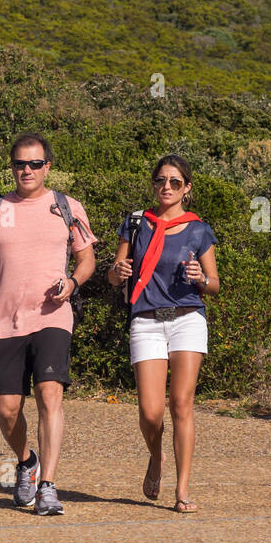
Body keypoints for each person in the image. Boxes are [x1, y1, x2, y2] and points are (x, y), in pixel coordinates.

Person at [0, 133, 97, 516]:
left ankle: (48, 487)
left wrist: (72, 283)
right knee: (6, 409)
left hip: (53, 317)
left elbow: (86, 259)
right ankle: (26, 462)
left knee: (49, 394)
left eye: (35, 164)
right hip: (5, 322)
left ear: (47, 167)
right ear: (12, 167)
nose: (27, 170)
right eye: (20, 163)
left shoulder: (67, 207)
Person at [108, 154, 219, 512]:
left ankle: (182, 488)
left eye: (174, 182)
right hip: (147, 319)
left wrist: (201, 278)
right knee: (150, 412)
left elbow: (214, 283)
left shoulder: (199, 229)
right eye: (160, 180)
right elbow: (113, 275)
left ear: (187, 188)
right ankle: (155, 458)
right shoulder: (137, 223)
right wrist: (118, 270)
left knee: (181, 405)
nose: (166, 187)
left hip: (187, 317)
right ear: (153, 184)